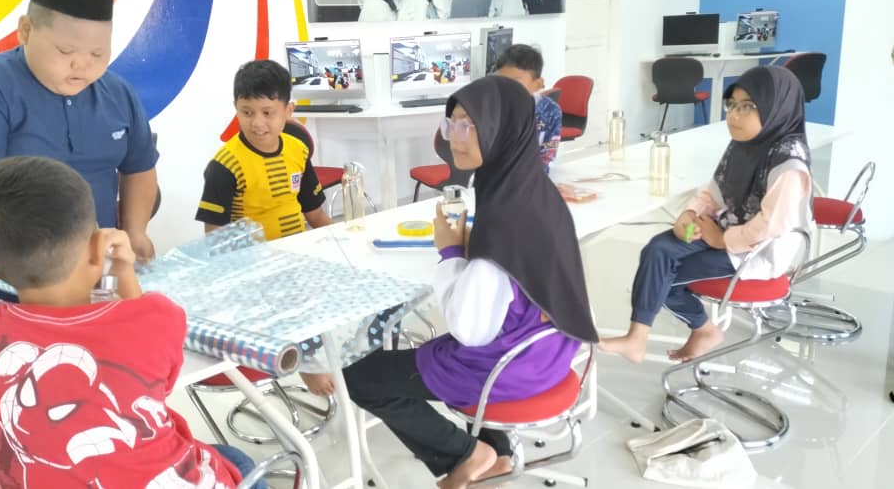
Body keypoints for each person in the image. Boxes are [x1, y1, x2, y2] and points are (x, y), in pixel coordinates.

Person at [0, 156, 262, 488]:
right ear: (98, 246)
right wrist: (121, 269)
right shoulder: (157, 317)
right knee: (235, 459)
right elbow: (145, 357)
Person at [343, 76, 598, 488]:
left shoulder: (503, 225)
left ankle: (467, 453)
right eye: (452, 124)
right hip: (551, 353)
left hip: (509, 368)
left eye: (469, 125)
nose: (455, 139)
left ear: (503, 129)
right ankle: (498, 454)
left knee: (360, 376)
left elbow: (470, 330)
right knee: (454, 340)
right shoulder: (535, 190)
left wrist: (450, 253)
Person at [0, 0, 159, 309]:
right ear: (26, 30)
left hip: (99, 279)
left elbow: (139, 167)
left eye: (97, 54)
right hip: (9, 287)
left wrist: (135, 230)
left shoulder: (118, 93)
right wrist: (51, 242)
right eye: (66, 51)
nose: (82, 65)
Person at [600, 66, 813, 363]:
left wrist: (722, 240)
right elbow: (714, 193)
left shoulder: (788, 164)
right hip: (725, 229)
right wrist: (689, 214)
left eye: (747, 106)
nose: (734, 115)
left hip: (757, 249)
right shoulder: (744, 144)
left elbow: (771, 226)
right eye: (732, 105)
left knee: (663, 275)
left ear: (775, 107)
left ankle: (702, 329)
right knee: (657, 251)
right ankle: (639, 338)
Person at [195, 59, 335, 396]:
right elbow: (216, 238)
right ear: (236, 109)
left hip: (298, 255)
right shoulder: (225, 166)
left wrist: (340, 243)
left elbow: (315, 213)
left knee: (333, 295)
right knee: (295, 300)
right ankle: (307, 364)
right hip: (254, 266)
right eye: (247, 112)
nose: (257, 123)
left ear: (288, 111)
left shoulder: (298, 151)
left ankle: (316, 355)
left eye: (267, 112)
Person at [492, 44, 561, 173]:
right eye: (501, 81)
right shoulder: (493, 108)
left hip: (534, 176)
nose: (507, 88)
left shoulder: (550, 111)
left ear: (538, 84)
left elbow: (548, 154)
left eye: (515, 82)